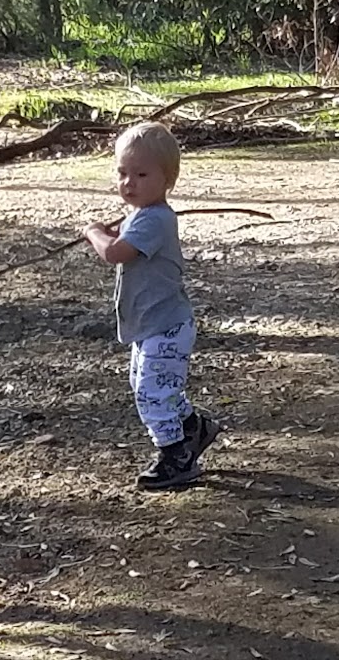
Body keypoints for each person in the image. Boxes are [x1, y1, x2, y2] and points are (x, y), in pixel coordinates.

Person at [83, 122, 220, 490]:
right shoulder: (142, 215)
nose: (129, 183)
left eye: (141, 174)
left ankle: (177, 457)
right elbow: (129, 245)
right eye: (122, 173)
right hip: (152, 324)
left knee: (151, 392)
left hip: (166, 325)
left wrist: (94, 233)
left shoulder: (157, 218)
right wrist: (116, 232)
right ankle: (194, 428)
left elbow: (115, 254)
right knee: (150, 384)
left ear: (167, 180)